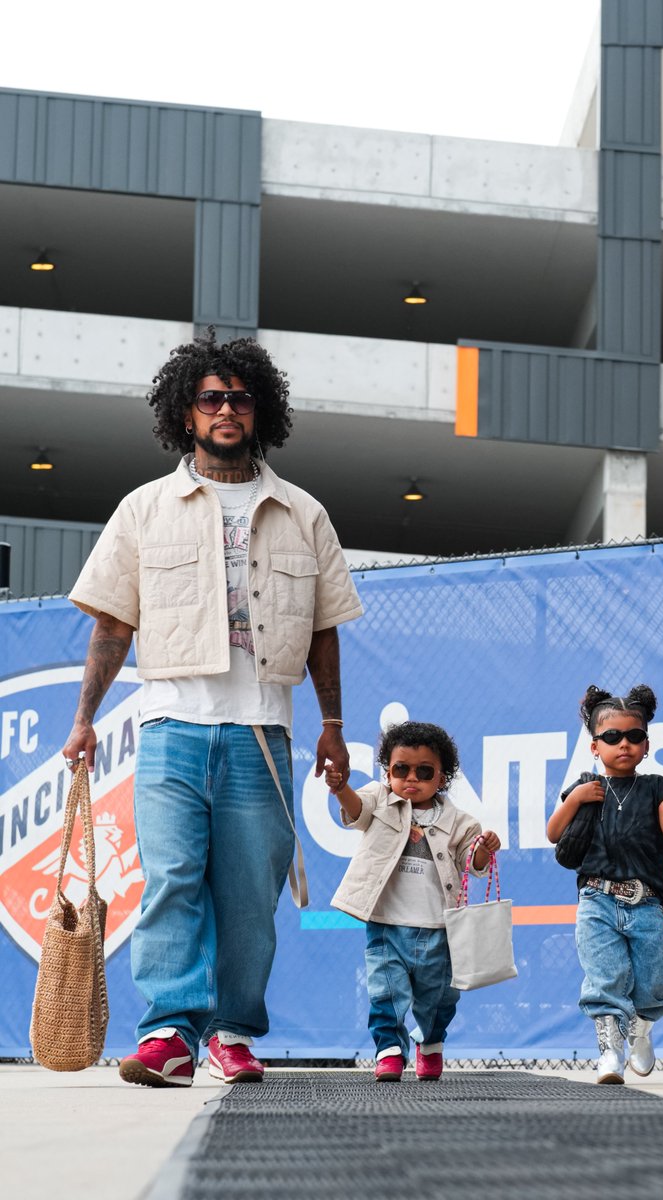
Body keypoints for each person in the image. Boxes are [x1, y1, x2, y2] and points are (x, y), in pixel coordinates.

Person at [62, 328, 362, 1088]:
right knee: (170, 880)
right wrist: (83, 718)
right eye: (211, 398)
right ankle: (168, 1032)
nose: (227, 409)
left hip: (264, 730)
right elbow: (111, 625)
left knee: (248, 896)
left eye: (240, 397)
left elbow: (325, 630)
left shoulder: (304, 513)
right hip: (170, 727)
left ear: (261, 411)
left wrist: (331, 724)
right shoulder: (144, 509)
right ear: (185, 412)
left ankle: (231, 1032)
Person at [327, 720, 501, 1081]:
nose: (411, 779)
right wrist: (342, 788)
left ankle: (431, 1042)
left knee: (439, 1000)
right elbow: (356, 811)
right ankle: (389, 1052)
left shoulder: (459, 821)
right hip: (386, 925)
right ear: (387, 772)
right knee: (385, 993)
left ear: (443, 777)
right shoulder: (379, 799)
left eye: (424, 771)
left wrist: (483, 849)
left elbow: (473, 865)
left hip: (439, 929)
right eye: (400, 769)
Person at [546, 685, 663, 1085]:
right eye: (612, 737)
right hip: (596, 899)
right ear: (595, 746)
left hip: (646, 903)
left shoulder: (655, 786)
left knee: (655, 980)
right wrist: (576, 798)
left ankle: (640, 1030)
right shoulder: (584, 787)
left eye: (634, 736)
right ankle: (610, 1051)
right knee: (604, 976)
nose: (623, 744)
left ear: (646, 744)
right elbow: (553, 832)